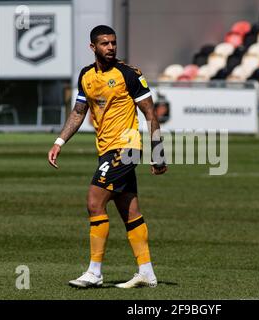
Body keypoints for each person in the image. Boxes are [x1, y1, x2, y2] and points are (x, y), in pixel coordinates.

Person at [47, 25, 167, 289]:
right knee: (129, 211)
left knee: (94, 201)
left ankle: (94, 272)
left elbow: (150, 114)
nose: (111, 47)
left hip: (125, 147)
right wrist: (59, 141)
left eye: (113, 42)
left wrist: (158, 154)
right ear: (93, 47)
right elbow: (79, 112)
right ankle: (146, 272)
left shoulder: (129, 74)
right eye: (104, 43)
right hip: (106, 148)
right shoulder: (86, 76)